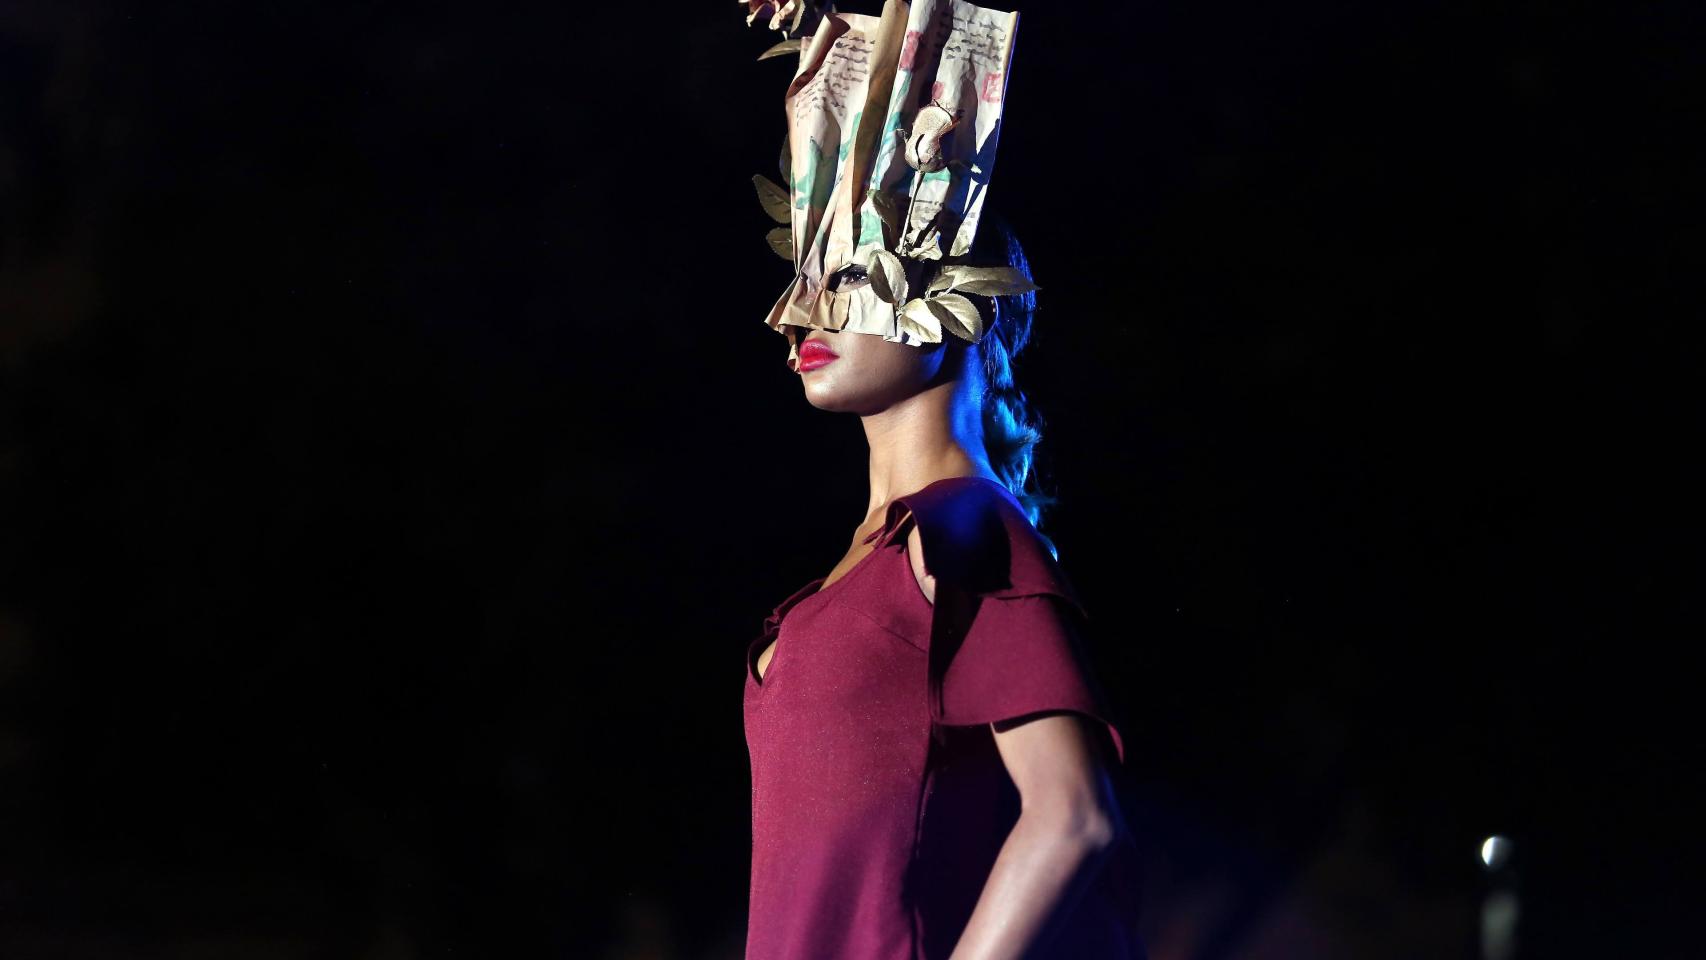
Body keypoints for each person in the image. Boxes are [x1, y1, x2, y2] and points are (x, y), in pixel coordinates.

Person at [743, 209, 1148, 959]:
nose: (799, 313)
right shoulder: (879, 556)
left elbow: (1073, 816)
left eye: (852, 276)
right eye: (803, 278)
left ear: (968, 301)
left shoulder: (959, 528)